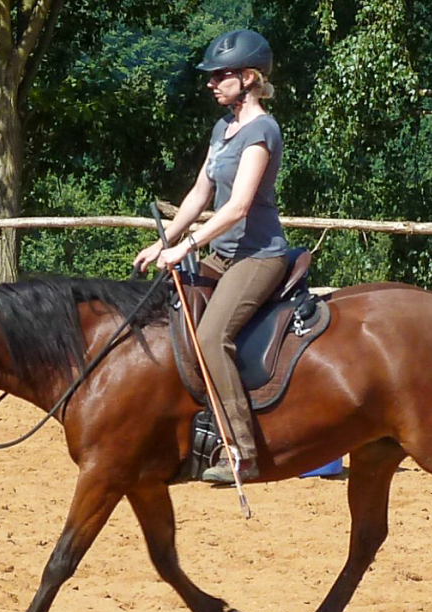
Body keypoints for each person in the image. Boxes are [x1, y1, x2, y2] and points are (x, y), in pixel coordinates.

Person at [133, 29, 289, 484]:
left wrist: (188, 246)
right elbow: (201, 191)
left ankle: (242, 450)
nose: (211, 83)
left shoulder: (262, 130)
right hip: (220, 253)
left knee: (212, 334)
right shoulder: (223, 129)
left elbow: (238, 205)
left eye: (220, 75)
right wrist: (165, 241)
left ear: (249, 77)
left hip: (258, 256)